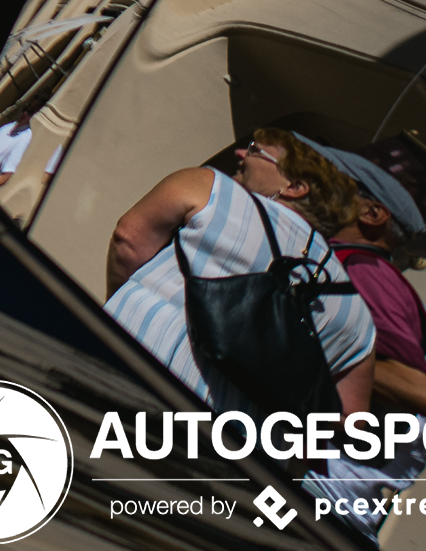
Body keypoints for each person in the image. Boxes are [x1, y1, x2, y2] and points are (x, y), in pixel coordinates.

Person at [103, 128, 375, 417]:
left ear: (295, 186)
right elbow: (350, 418)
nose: (240, 153)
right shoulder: (358, 317)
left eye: (256, 151)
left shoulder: (211, 189)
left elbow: (129, 240)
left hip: (122, 379)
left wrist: (120, 303)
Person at [304, 137, 426, 522]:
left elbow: (420, 395)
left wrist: (298, 335)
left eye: (332, 183)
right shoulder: (351, 266)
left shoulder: (359, 270)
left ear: (373, 213)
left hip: (323, 493)